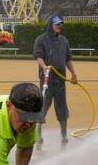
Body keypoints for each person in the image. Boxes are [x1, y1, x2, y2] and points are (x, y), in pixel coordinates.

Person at [33, 15, 78, 144]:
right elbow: (38, 56)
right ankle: (38, 134)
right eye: (56, 24)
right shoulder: (41, 40)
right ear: (50, 25)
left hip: (60, 82)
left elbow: (68, 59)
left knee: (62, 108)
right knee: (43, 107)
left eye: (60, 24)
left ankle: (63, 134)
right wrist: (44, 67)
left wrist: (74, 73)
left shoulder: (63, 41)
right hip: (46, 81)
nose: (59, 26)